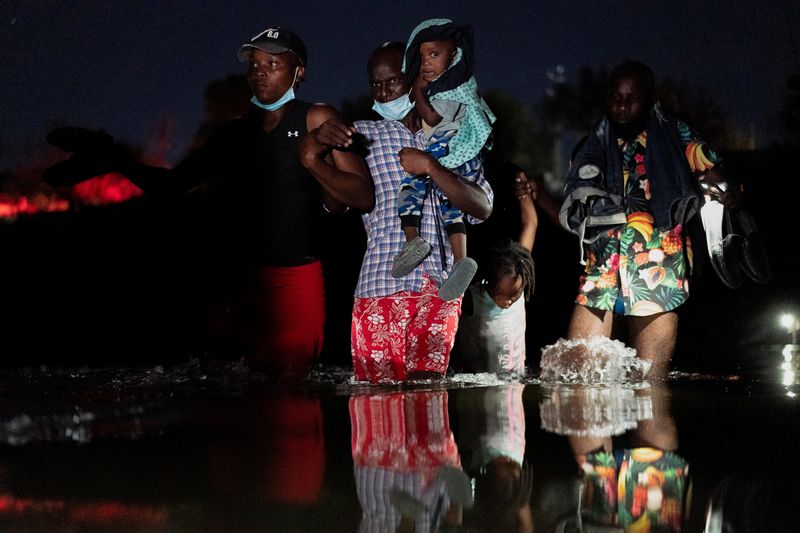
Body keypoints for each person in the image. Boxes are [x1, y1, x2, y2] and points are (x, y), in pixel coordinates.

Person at [44, 27, 372, 377]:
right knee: (237, 392)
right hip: (240, 280)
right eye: (255, 63)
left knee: (292, 386)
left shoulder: (317, 118)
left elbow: (362, 196)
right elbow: (172, 185)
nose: (260, 70)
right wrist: (112, 157)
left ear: (299, 72)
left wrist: (312, 160)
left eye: (273, 62)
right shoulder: (232, 133)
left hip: (296, 278)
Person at [303, 41, 493, 383]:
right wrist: (317, 151)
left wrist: (432, 167)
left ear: (417, 77)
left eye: (393, 81)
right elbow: (335, 204)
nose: (384, 91)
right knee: (378, 406)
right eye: (375, 84)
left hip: (442, 287)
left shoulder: (454, 138)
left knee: (429, 402)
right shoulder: (363, 135)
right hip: (383, 284)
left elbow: (482, 207)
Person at [560, 60, 740, 379]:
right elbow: (576, 203)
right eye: (616, 96)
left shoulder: (673, 133)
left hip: (659, 262)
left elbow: (712, 167)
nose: (623, 105)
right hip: (602, 261)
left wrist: (728, 186)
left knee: (651, 385)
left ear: (650, 98)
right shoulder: (593, 142)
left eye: (633, 97)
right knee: (578, 379)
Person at [390, 19, 496, 302]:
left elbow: (433, 118)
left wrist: (417, 92)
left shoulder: (448, 88)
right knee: (451, 204)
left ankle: (413, 242)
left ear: (454, 55)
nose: (426, 62)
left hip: (447, 146)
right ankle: (461, 261)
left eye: (434, 54)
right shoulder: (457, 85)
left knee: (410, 187)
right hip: (460, 157)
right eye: (422, 56)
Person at [455, 164, 537, 377]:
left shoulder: (520, 272)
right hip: (475, 388)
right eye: (501, 295)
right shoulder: (472, 298)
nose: (509, 300)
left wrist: (524, 193)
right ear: (489, 281)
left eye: (515, 295)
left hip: (512, 385)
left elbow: (530, 224)